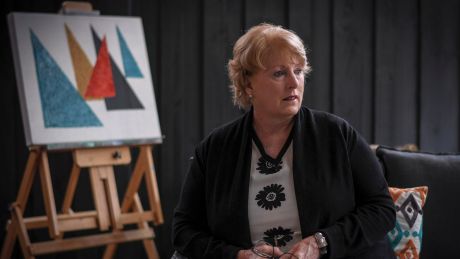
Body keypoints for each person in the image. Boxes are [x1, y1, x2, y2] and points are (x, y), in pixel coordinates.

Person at [172, 23, 396, 259]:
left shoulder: (337, 134)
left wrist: (320, 244)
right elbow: (183, 231)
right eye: (279, 73)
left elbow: (381, 210)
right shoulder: (215, 149)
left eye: (298, 71)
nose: (293, 83)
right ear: (248, 84)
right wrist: (238, 256)